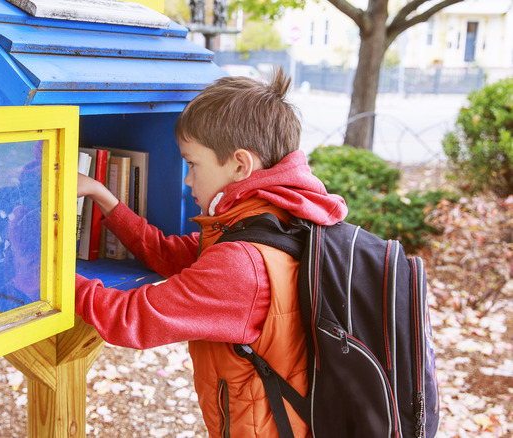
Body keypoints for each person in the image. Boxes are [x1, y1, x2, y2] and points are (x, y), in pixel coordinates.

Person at [75, 68, 347, 437]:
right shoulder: (280, 215)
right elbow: (172, 255)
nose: (187, 179)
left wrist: (47, 271)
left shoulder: (242, 264)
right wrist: (103, 196)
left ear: (240, 165)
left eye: (192, 163)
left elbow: (131, 317)